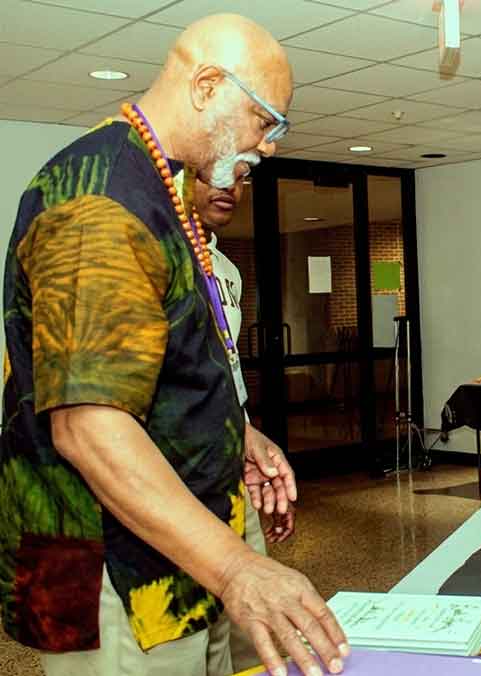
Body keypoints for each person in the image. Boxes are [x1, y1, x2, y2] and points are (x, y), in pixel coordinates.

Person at [1, 14, 348, 676]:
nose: (268, 146)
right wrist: (239, 568)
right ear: (208, 85)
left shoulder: (157, 186)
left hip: (171, 551)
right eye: (265, 119)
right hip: (109, 570)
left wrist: (235, 433)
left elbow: (161, 365)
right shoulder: (101, 204)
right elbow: (89, 427)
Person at [194, 176, 296, 672]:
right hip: (173, 474)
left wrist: (246, 434)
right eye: (213, 175)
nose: (230, 187)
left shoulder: (226, 271)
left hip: (226, 462)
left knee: (244, 636)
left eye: (242, 177)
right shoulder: (147, 258)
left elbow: (226, 367)